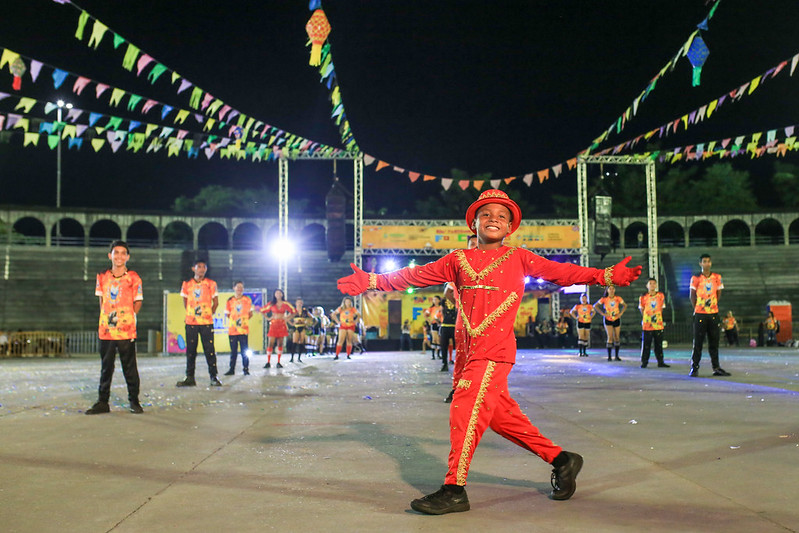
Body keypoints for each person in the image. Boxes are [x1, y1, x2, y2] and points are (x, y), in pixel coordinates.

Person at [337, 189, 642, 514]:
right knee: (503, 420)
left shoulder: (519, 257)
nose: (493, 219)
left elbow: (563, 272)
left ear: (509, 226)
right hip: (470, 355)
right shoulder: (457, 260)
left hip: (495, 352)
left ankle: (454, 488)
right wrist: (372, 280)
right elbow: (415, 275)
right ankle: (563, 460)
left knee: (464, 410)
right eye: (486, 214)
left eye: (501, 215)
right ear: (475, 224)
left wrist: (604, 275)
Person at [85, 240, 144, 414]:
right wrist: (105, 319)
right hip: (106, 330)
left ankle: (134, 400)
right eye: (115, 252)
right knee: (106, 366)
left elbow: (138, 300)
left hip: (126, 330)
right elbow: (101, 301)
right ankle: (103, 402)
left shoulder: (133, 277)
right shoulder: (102, 276)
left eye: (122, 253)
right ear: (110, 255)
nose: (119, 256)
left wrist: (129, 317)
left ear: (127, 257)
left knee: (130, 367)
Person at [177, 259, 222, 387]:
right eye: (199, 267)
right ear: (193, 269)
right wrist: (191, 314)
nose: (201, 269)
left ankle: (214, 376)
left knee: (209, 349)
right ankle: (190, 377)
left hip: (206, 322)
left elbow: (216, 302)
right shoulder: (187, 284)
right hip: (191, 322)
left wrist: (208, 314)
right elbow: (185, 301)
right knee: (191, 350)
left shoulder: (211, 284)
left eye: (204, 267)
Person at [690, 254, 731, 377]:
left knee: (714, 342)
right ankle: (694, 367)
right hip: (700, 314)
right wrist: (697, 309)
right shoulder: (696, 278)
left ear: (711, 263)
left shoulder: (717, 277)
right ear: (700, 264)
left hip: (713, 313)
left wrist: (713, 306)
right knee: (698, 342)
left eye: (708, 261)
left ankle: (716, 367)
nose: (706, 264)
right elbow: (692, 295)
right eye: (704, 261)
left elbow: (719, 293)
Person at [638, 278, 670, 369]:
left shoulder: (660, 296)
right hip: (647, 325)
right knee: (646, 344)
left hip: (658, 324)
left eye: (654, 284)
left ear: (656, 285)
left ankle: (660, 361)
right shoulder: (643, 297)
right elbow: (642, 309)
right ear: (647, 286)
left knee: (658, 344)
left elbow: (661, 308)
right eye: (650, 283)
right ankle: (644, 362)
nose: (652, 285)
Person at [223, 281, 253, 376]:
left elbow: (250, 314)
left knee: (245, 350)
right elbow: (227, 314)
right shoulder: (230, 300)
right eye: (238, 287)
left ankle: (246, 369)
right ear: (234, 288)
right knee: (233, 351)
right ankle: (232, 369)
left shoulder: (247, 300)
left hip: (243, 330)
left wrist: (243, 321)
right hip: (233, 331)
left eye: (241, 287)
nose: (239, 289)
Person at [262, 289, 294, 369]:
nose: (278, 294)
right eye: (276, 293)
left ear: (282, 294)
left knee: (280, 343)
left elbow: (294, 311)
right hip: (273, 324)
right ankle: (268, 362)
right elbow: (262, 310)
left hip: (282, 324)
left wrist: (287, 318)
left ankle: (278, 362)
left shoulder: (285, 303)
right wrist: (268, 318)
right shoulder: (271, 303)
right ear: (274, 294)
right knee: (270, 343)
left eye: (280, 293)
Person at [595, 285, 626, 361]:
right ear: (607, 290)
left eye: (613, 289)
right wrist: (603, 314)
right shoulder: (604, 299)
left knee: (617, 337)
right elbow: (595, 306)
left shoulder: (618, 298)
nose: (611, 290)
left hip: (616, 318)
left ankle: (616, 356)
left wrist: (620, 313)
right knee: (610, 337)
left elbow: (625, 305)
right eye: (610, 289)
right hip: (608, 319)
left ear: (614, 290)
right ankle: (609, 356)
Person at [438, 285, 458, 372]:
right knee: (443, 346)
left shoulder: (457, 299)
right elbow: (442, 312)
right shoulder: (443, 301)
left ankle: (459, 364)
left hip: (455, 326)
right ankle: (444, 363)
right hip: (445, 325)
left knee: (458, 347)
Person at [290, 297, 311, 363]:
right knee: (294, 342)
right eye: (298, 302)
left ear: (302, 303)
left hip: (303, 327)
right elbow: (287, 318)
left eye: (301, 303)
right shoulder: (293, 311)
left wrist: (307, 323)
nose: (299, 304)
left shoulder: (305, 311)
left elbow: (312, 317)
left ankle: (299, 358)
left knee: (301, 342)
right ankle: (292, 358)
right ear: (296, 303)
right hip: (296, 327)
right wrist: (292, 323)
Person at [425, 295, 443, 360]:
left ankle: (438, 354)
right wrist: (429, 321)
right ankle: (433, 355)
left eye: (436, 299)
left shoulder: (441, 307)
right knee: (434, 339)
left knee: (439, 339)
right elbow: (425, 315)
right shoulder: (431, 308)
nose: (435, 301)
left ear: (439, 300)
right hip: (434, 324)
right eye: (434, 300)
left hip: (440, 324)